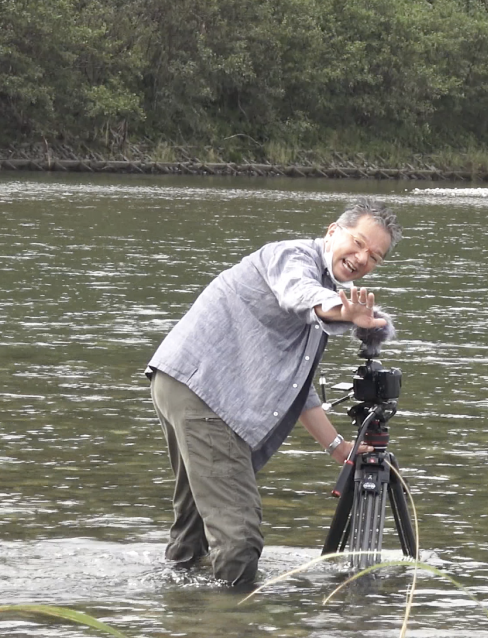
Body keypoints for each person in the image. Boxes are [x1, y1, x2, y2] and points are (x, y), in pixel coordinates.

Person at [146, 199, 400, 588]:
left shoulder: (329, 293)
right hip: (205, 390)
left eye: (375, 256)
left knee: (193, 523)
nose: (362, 258)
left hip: (185, 383)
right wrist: (344, 312)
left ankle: (182, 611)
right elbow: (298, 293)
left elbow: (300, 387)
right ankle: (234, 630)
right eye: (358, 242)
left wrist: (336, 446)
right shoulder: (292, 257)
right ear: (333, 231)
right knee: (239, 537)